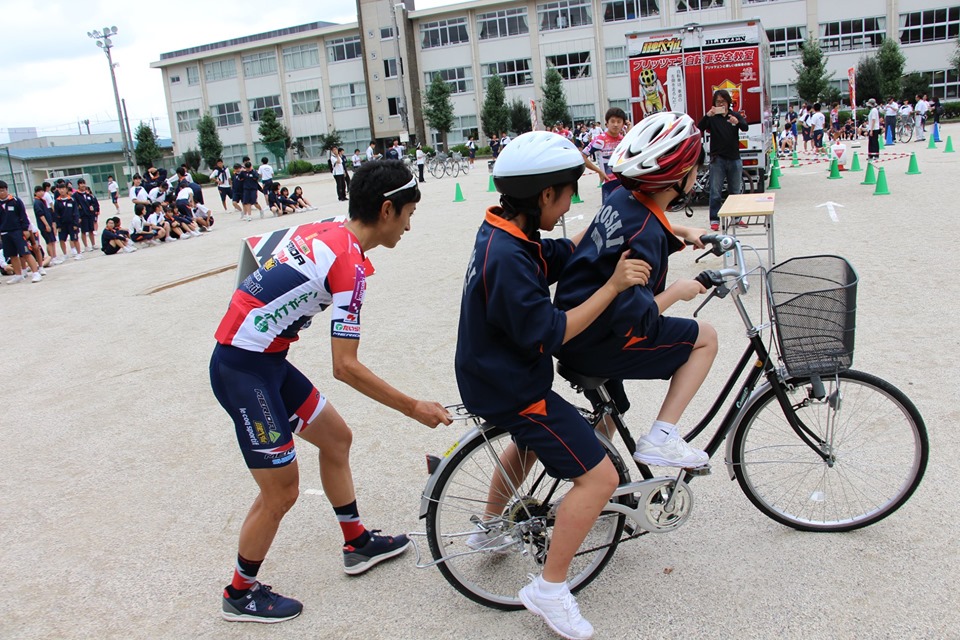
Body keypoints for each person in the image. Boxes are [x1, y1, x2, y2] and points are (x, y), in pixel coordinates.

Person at [211, 159, 451, 624]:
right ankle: (240, 594)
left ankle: (356, 541)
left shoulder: (328, 230)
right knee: (281, 491)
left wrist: (260, 320)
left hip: (264, 359)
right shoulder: (349, 266)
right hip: (243, 369)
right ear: (387, 210)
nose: (409, 227)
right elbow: (345, 367)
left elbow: (257, 271)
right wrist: (412, 407)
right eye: (409, 215)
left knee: (337, 438)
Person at [455, 132, 650, 640]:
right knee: (600, 477)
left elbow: (555, 255)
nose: (568, 206)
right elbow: (554, 330)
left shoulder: (503, 231)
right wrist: (612, 285)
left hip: (492, 374)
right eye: (566, 196)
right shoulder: (509, 259)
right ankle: (550, 588)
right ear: (545, 196)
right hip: (512, 388)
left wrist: (595, 237)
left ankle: (490, 529)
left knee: (531, 446)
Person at [555, 111, 715, 476]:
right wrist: (678, 290)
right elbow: (637, 318)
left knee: (615, 408)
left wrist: (683, 232)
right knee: (706, 338)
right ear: (680, 178)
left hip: (573, 329)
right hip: (599, 338)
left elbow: (636, 227)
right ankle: (662, 435)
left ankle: (594, 479)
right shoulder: (646, 236)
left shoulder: (620, 198)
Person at [699, 89, 748, 231]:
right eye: (717, 102)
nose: (720, 104)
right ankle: (714, 219)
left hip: (734, 159)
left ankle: (737, 218)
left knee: (735, 190)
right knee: (715, 192)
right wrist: (707, 115)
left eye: (723, 101)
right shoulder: (712, 118)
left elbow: (745, 127)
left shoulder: (734, 115)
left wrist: (737, 122)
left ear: (728, 103)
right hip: (717, 159)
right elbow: (699, 127)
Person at [1, 181, 44, 283]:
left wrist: (25, 229)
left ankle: (36, 273)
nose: (1, 193)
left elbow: (23, 216)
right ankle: (18, 275)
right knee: (12, 255)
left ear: (6, 190)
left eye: (2, 190)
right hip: (4, 232)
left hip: (17, 231)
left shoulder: (16, 201)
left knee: (25, 252)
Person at [581, 107, 627, 182]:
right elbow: (582, 157)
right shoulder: (599, 140)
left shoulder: (624, 140)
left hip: (624, 182)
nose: (615, 125)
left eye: (619, 122)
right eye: (612, 121)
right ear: (607, 124)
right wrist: (599, 171)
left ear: (623, 124)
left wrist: (629, 130)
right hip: (608, 183)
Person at [54, 181, 84, 260]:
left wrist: (75, 224)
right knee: (62, 240)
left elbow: (76, 212)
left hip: (72, 223)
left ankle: (79, 253)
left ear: (66, 189)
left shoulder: (72, 200)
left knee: (74, 239)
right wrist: (58, 225)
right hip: (63, 224)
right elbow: (56, 214)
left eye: (63, 189)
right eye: (60, 189)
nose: (62, 190)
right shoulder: (57, 201)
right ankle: (65, 254)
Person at [33, 185, 62, 265]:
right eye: (39, 191)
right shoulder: (37, 202)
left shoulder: (42, 200)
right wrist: (46, 225)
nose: (41, 193)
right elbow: (40, 215)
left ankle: (54, 257)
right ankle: (51, 258)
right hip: (44, 226)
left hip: (49, 223)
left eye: (42, 191)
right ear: (35, 193)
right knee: (49, 242)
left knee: (53, 241)